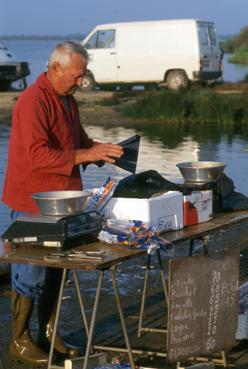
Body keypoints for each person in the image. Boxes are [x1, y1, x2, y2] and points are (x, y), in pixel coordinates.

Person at [2, 41, 123, 365]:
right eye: (77, 75)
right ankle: (20, 340)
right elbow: (38, 155)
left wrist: (102, 150)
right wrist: (86, 154)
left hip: (64, 202)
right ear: (55, 68)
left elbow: (79, 142)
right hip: (32, 200)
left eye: (83, 75)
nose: (81, 81)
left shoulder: (67, 100)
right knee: (32, 273)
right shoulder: (32, 101)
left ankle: (49, 333)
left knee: (58, 271)